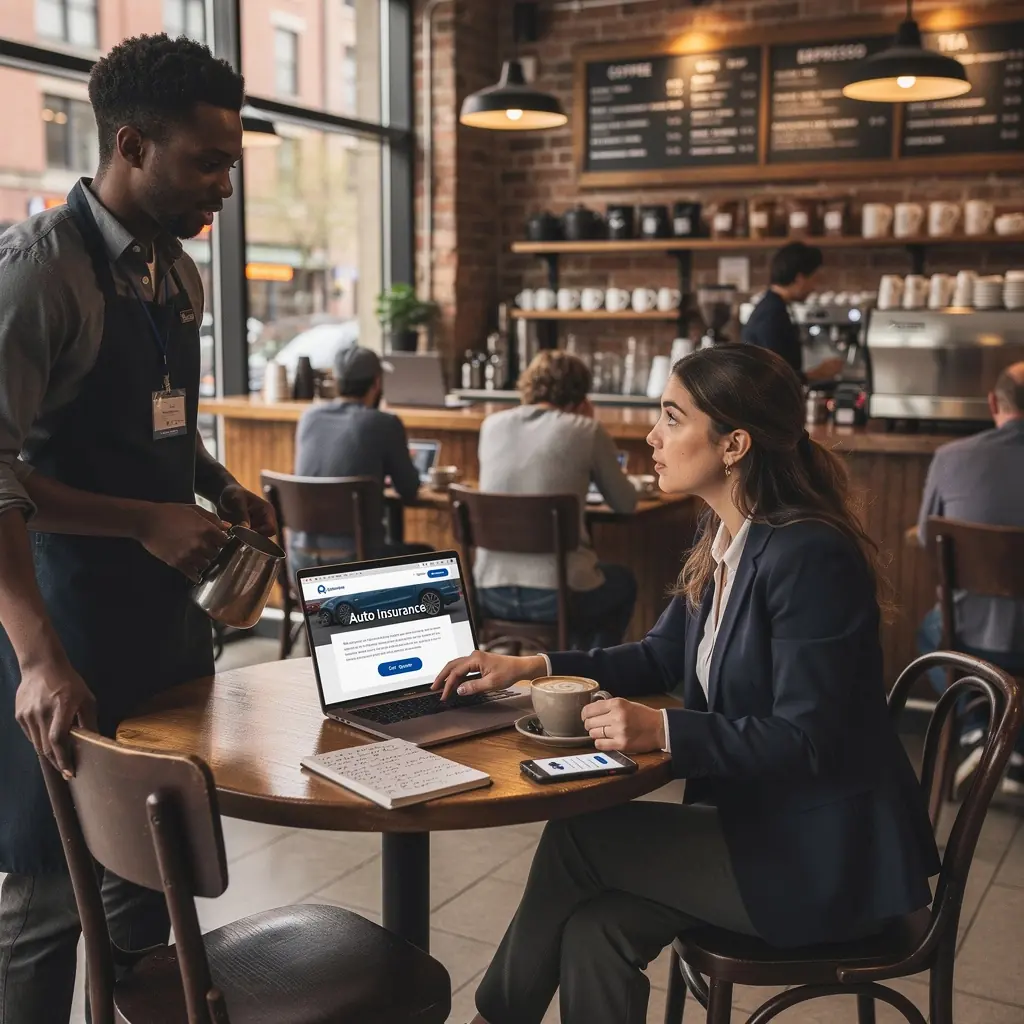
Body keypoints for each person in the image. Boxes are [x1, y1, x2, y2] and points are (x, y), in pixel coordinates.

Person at [434, 345, 939, 1024]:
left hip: (827, 860)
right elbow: (659, 654)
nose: (651, 437)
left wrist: (661, 729)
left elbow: (808, 739)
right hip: (761, 830)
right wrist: (531, 667)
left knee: (577, 837)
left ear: (734, 443)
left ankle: (493, 1018)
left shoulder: (810, 555)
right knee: (595, 930)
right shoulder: (728, 534)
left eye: (672, 419)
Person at [0, 35, 278, 1024]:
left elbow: (161, 422)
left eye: (232, 163)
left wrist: (212, 482)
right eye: (208, 162)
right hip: (59, 623)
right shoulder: (40, 272)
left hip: (160, 626)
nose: (226, 186)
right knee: (44, 893)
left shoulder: (176, 275)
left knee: (149, 874)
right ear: (130, 145)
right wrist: (38, 659)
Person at [475, 350, 638, 649]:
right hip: (555, 598)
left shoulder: (491, 426)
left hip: (488, 592)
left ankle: (561, 668)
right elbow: (626, 503)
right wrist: (586, 423)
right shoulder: (585, 430)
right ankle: (589, 673)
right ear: (581, 395)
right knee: (622, 583)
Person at [914, 362, 1024, 795]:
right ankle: (1014, 748)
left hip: (967, 634)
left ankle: (979, 726)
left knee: (931, 635)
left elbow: (927, 536)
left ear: (994, 403)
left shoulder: (952, 457)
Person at [290, 344, 430, 570]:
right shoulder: (384, 423)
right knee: (429, 557)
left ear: (337, 381)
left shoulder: (309, 418)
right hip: (358, 566)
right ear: (377, 383)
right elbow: (409, 488)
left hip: (300, 563)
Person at [741, 241, 844, 384]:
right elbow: (774, 377)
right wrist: (818, 373)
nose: (814, 287)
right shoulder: (772, 315)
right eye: (814, 279)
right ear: (799, 279)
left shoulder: (773, 307)